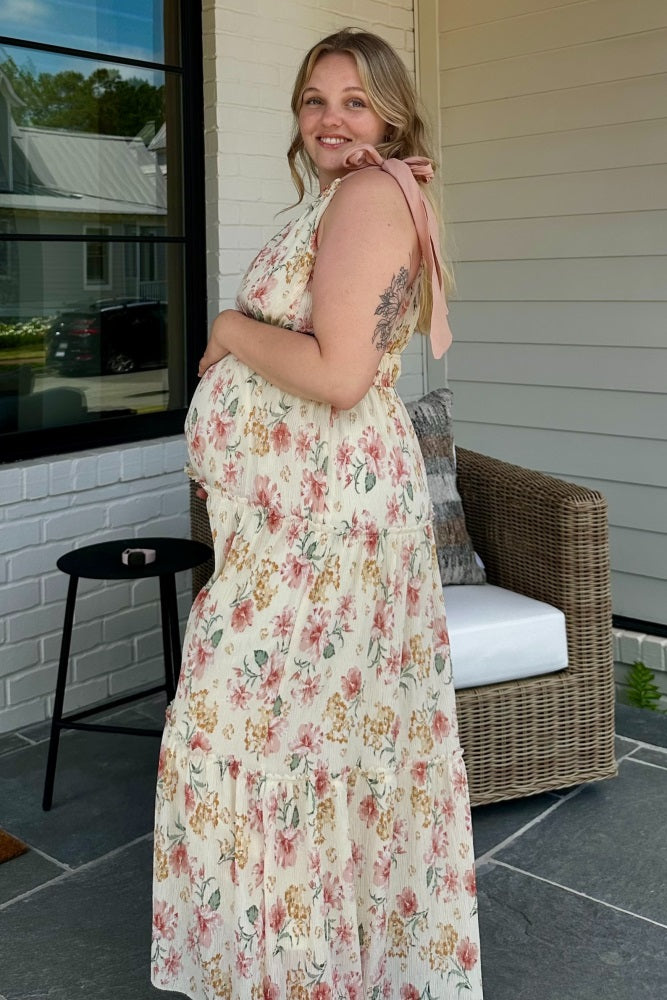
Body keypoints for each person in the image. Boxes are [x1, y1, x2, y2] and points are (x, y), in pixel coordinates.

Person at [151, 27, 483, 999]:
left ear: (391, 114)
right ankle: (309, 971)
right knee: (308, 742)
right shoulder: (343, 195)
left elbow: (339, 375)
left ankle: (296, 974)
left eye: (354, 100)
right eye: (313, 99)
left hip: (324, 527)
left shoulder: (371, 195)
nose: (330, 118)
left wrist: (227, 328)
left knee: (242, 734)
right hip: (298, 522)